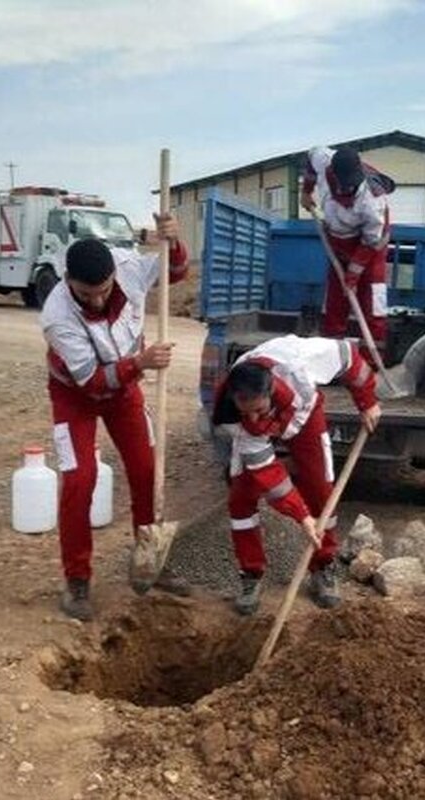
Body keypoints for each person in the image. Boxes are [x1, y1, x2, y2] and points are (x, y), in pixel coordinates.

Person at [40, 215, 189, 621]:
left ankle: (148, 559)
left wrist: (173, 242)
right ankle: (77, 582)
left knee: (147, 470)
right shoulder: (57, 317)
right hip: (75, 397)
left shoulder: (128, 268)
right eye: (86, 294)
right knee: (79, 478)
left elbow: (175, 272)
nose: (97, 300)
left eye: (103, 291)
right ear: (69, 281)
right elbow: (90, 381)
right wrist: (140, 361)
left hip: (124, 391)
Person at [210, 335, 381, 615]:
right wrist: (302, 517)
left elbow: (349, 357)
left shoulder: (300, 363)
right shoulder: (231, 415)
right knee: (241, 497)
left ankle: (323, 566)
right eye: (246, 412)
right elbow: (271, 479)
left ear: (270, 392)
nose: (253, 417)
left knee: (321, 490)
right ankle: (251, 574)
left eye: (259, 410)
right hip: (256, 440)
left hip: (304, 416)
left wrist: (368, 401)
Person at [300, 146, 394, 361]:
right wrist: (306, 191)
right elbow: (309, 158)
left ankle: (371, 362)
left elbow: (372, 241)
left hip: (370, 249)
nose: (349, 189)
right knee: (335, 301)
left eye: (353, 184)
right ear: (333, 173)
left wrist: (352, 275)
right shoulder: (324, 160)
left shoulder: (373, 200)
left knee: (373, 305)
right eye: (345, 184)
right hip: (339, 243)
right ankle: (332, 360)